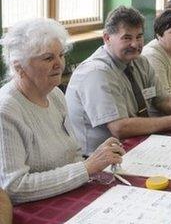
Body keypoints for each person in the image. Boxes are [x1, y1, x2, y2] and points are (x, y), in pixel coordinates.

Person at [0, 18, 123, 204]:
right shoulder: (6, 110)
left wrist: (97, 158)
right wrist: (86, 167)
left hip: (66, 195)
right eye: (48, 58)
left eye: (61, 55)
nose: (59, 64)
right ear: (20, 68)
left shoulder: (55, 94)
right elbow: (14, 187)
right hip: (31, 210)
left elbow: (72, 153)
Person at [66, 6, 171, 155]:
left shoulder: (140, 62)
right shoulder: (96, 73)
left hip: (136, 144)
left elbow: (161, 99)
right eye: (127, 38)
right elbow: (120, 127)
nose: (135, 44)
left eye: (139, 36)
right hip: (98, 159)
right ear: (107, 38)